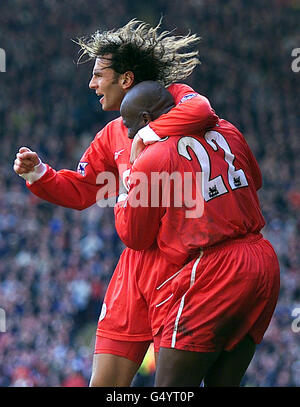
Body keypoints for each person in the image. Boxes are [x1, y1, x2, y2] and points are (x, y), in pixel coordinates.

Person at [13, 19, 219, 386]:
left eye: (97, 75)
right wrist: (39, 173)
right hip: (134, 269)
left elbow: (202, 111)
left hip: (184, 265)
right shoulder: (111, 134)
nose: (92, 84)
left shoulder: (175, 99)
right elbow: (82, 189)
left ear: (125, 79)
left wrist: (147, 136)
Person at [114, 80, 280, 386]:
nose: (126, 134)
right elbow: (254, 181)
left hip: (214, 271)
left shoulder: (151, 158)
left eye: (128, 124)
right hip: (262, 261)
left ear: (147, 120)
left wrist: (126, 183)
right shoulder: (229, 130)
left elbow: (134, 236)